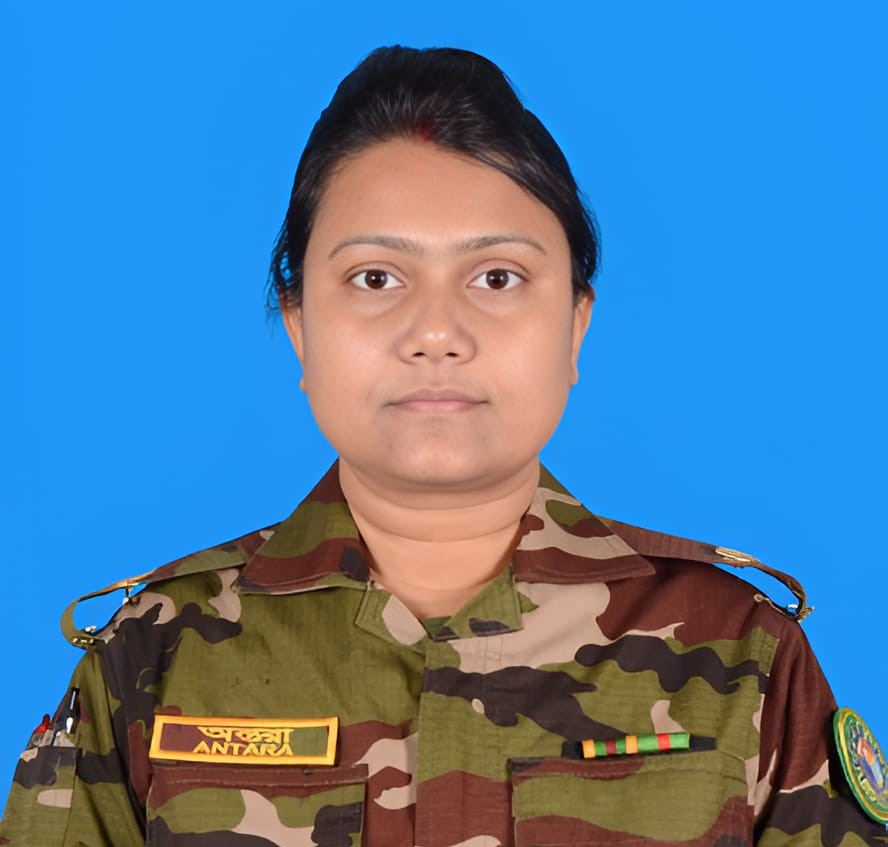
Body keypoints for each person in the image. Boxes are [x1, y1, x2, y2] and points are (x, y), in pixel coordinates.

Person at [1, 45, 885, 847]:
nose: (435, 332)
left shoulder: (740, 654)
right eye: (375, 277)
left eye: (497, 276)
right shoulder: (153, 657)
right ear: (299, 326)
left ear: (574, 326)